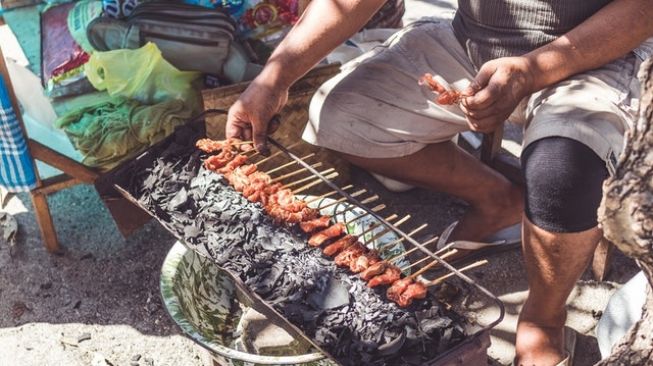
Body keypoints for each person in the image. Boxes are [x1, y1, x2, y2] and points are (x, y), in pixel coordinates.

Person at [226, 1, 653, 365]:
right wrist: (274, 78)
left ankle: (544, 316)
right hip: (473, 44)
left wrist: (530, 71)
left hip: (601, 53)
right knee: (341, 116)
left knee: (561, 170)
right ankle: (498, 199)